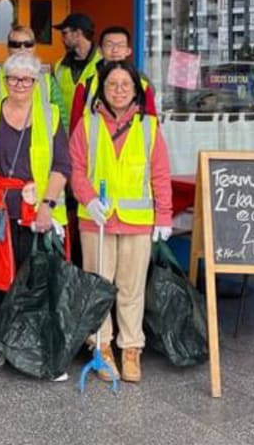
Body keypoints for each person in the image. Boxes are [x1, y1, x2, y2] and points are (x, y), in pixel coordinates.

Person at [0, 53, 71, 379]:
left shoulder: (49, 116)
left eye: (26, 79)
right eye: (13, 78)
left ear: (36, 83)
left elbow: (62, 166)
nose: (19, 85)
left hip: (37, 212)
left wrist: (48, 204)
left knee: (37, 284)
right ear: (4, 81)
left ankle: (39, 352)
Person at [70, 60, 172, 384]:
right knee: (99, 288)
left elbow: (160, 175)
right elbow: (76, 169)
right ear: (102, 89)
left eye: (125, 85)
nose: (118, 90)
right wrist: (88, 198)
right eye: (112, 84)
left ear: (136, 91)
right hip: (96, 220)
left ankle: (130, 348)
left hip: (136, 220)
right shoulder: (87, 125)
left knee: (130, 289)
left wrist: (164, 216)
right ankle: (101, 347)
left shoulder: (149, 127)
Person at [69, 25, 156, 131]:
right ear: (100, 50)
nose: (115, 50)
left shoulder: (143, 86)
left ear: (128, 51)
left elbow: (153, 127)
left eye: (120, 45)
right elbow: (75, 129)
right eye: (109, 45)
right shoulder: (85, 87)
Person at [0, 24, 61, 109]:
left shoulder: (48, 81)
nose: (22, 49)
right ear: (8, 48)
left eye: (28, 44)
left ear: (34, 47)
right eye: (16, 44)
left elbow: (61, 117)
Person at [53, 13, 102, 129]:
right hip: (64, 132)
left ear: (78, 33)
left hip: (93, 132)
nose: (62, 38)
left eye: (65, 33)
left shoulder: (104, 63)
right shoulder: (59, 66)